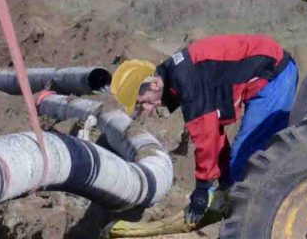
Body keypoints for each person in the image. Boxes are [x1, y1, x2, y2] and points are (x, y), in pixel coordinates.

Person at [115, 34, 297, 228]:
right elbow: (214, 129)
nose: (149, 109)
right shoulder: (178, 75)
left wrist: (202, 189)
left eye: (145, 102)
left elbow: (207, 136)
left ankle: (257, 228)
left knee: (248, 165)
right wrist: (225, 179)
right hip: (267, 71)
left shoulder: (185, 81)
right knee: (237, 172)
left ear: (154, 84)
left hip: (274, 74)